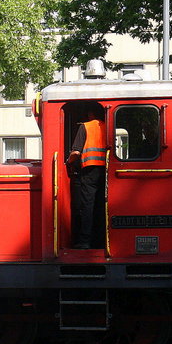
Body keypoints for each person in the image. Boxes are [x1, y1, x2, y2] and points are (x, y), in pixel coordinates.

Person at [68, 106, 106, 249]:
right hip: (105, 170)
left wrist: (68, 161)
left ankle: (85, 241)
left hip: (89, 170)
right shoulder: (108, 126)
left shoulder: (85, 126)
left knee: (87, 206)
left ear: (90, 114)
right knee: (101, 205)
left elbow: (76, 153)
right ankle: (101, 240)